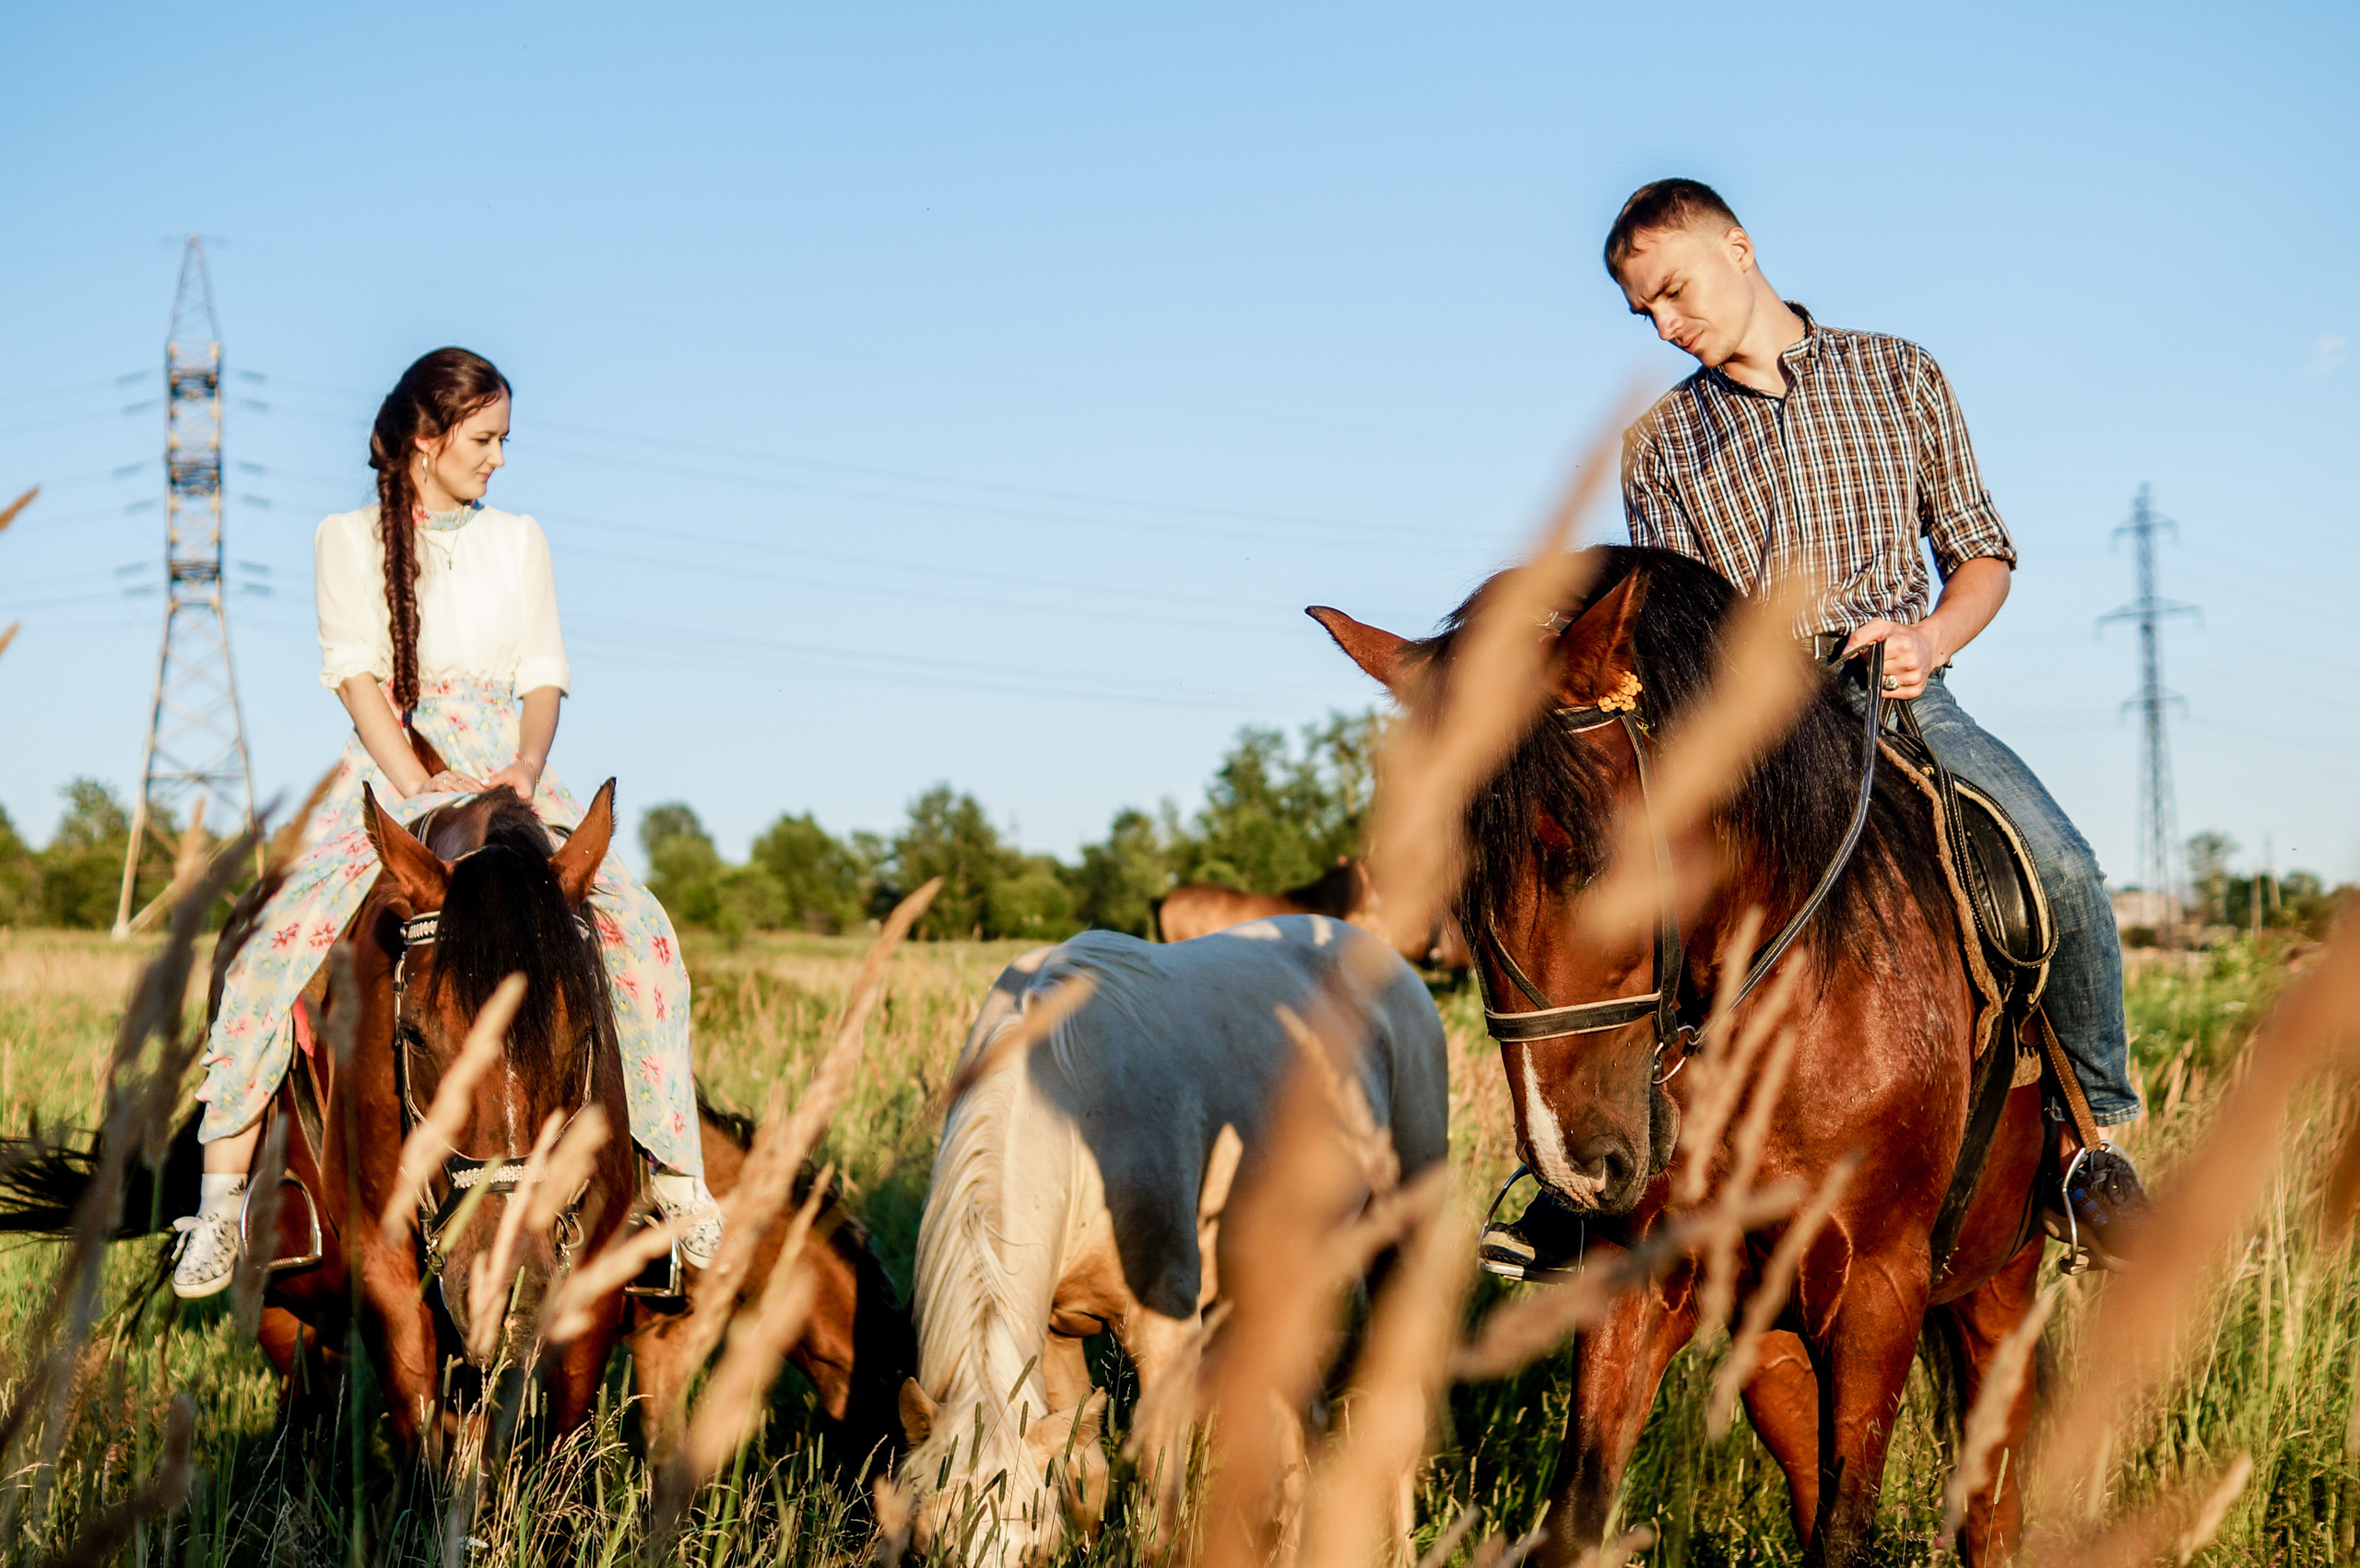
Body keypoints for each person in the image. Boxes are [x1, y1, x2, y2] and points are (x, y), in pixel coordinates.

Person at [1487, 180, 2150, 1277]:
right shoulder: (1658, 442)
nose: (1664, 324)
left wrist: (1930, 637)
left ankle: (2091, 1151)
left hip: (1899, 700)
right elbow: (1678, 626)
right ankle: (1581, 1190)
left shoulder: (1899, 372)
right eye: (1642, 312)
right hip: (1754, 736)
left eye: (1672, 291)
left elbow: (1981, 551)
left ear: (1738, 248)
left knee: (2063, 871)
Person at [171, 348, 722, 1298]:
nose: (500, 457)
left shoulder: (521, 539)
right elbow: (357, 679)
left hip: (509, 773)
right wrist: (416, 783)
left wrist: (525, 767)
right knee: (271, 945)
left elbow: (543, 675)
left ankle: (673, 1181)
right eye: (485, 438)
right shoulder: (344, 539)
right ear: (427, 440)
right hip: (396, 769)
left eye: (503, 439)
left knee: (644, 934)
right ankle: (224, 1200)